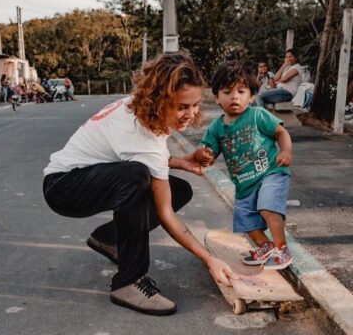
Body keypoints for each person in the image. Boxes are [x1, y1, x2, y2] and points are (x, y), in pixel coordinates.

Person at [42, 53, 234, 316]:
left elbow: (139, 155)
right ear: (159, 100)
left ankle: (110, 239)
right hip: (63, 187)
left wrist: (181, 162)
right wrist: (209, 258)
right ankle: (128, 282)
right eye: (181, 107)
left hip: (82, 176)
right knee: (136, 177)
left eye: (195, 105)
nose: (191, 114)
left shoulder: (140, 108)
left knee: (179, 189)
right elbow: (164, 211)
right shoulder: (136, 130)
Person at [195, 60, 293, 270]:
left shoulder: (258, 115)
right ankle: (264, 246)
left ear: (252, 95)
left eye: (241, 91)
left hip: (270, 172)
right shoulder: (216, 127)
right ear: (217, 97)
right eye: (228, 92)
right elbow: (209, 151)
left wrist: (285, 151)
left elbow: (281, 132)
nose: (235, 97)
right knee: (246, 221)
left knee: (268, 207)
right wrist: (206, 156)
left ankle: (282, 249)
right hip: (244, 184)